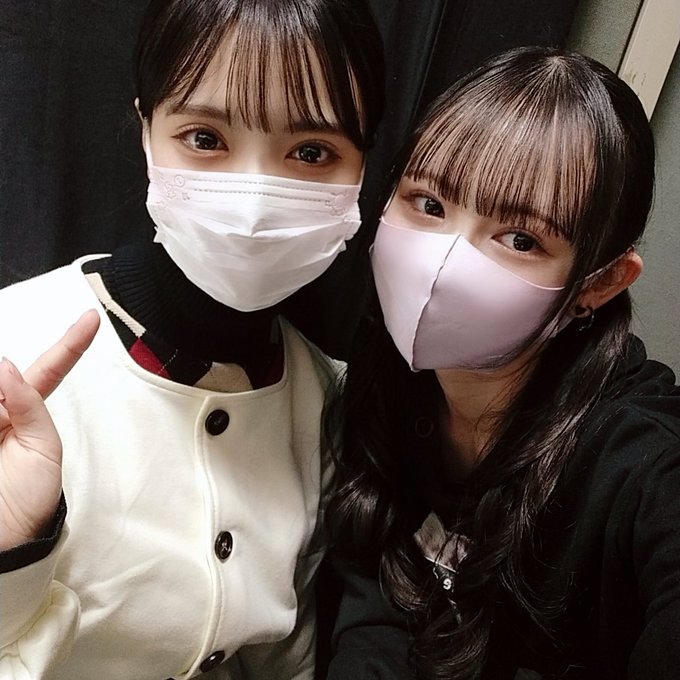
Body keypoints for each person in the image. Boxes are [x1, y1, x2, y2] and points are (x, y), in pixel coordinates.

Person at [0, 0, 384, 677]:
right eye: (205, 138)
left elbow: (287, 654)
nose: (253, 202)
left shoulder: (323, 398)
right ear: (146, 129)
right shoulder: (16, 342)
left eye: (311, 152)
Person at [327, 46, 680, 679]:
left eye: (521, 239)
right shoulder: (385, 376)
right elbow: (378, 599)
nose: (443, 264)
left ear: (600, 283)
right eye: (428, 204)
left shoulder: (640, 464)